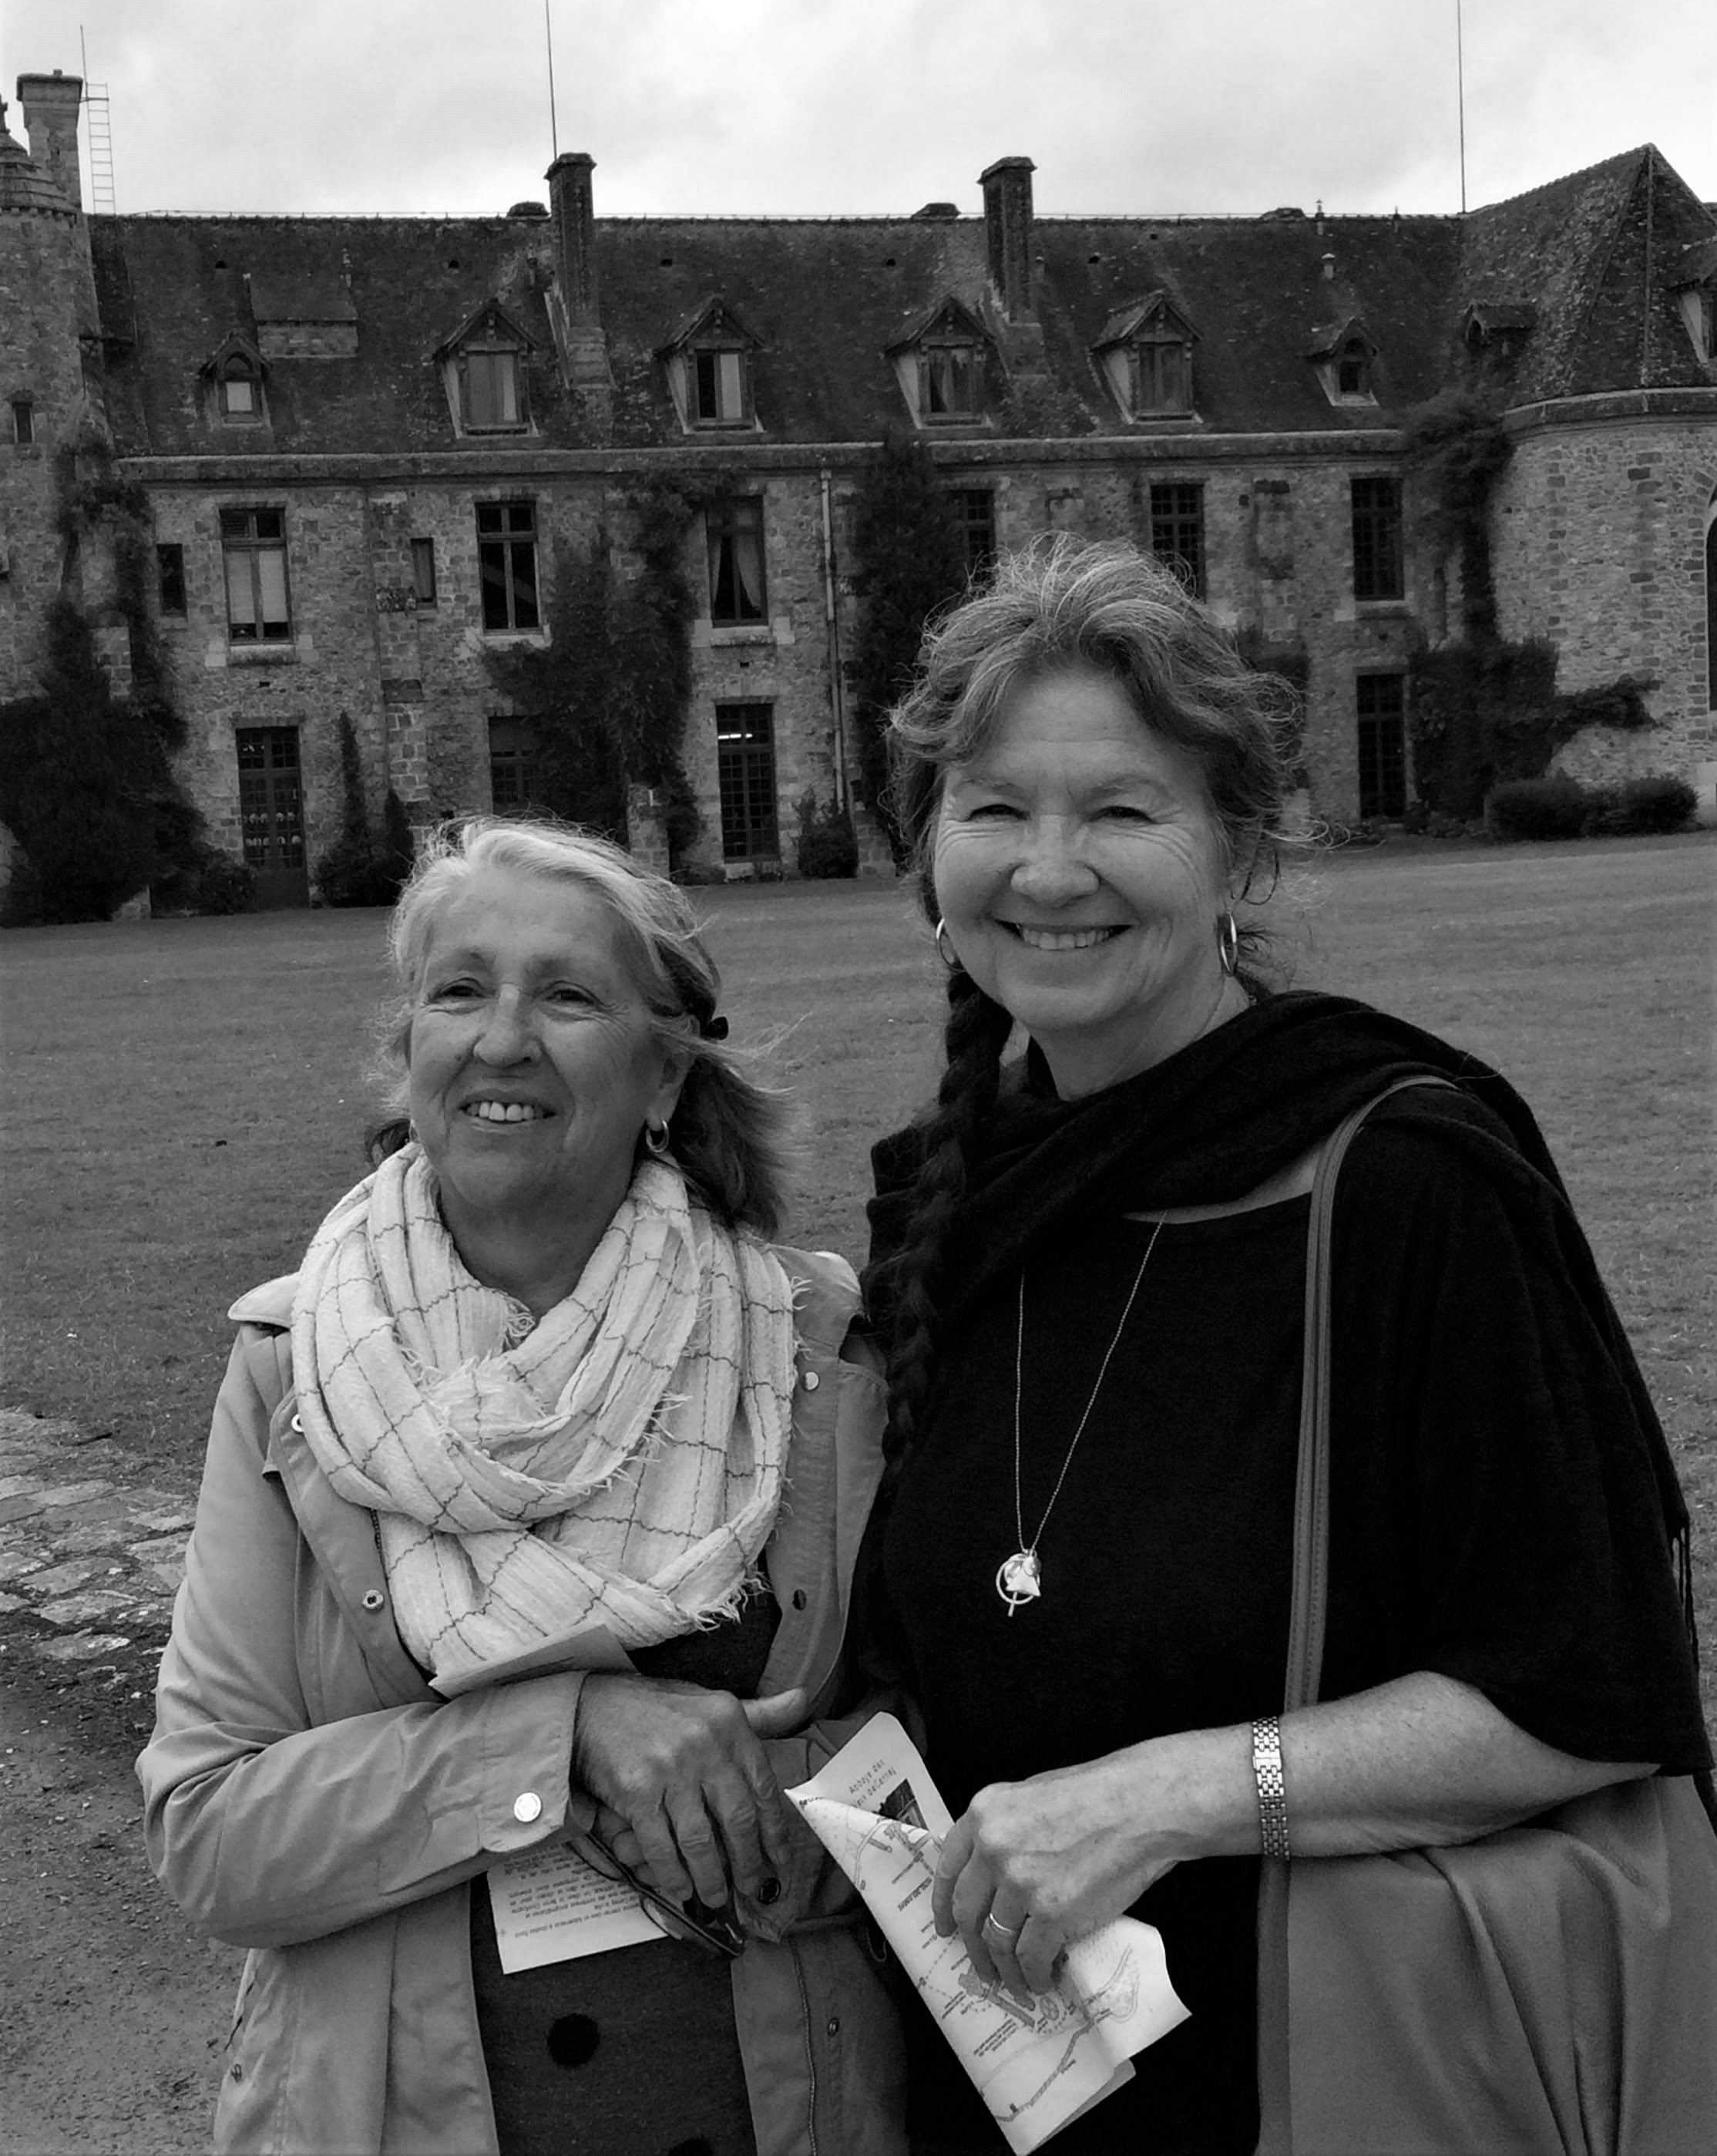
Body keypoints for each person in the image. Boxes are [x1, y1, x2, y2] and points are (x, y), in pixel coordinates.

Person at [858, 538, 1712, 2154]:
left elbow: (1587, 1691)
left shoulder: (1401, 1181)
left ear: (1241, 849)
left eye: (1122, 811)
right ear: (929, 851)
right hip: (1003, 2099)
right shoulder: (950, 1203)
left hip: (1340, 2091)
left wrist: (1166, 1796)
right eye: (994, 809)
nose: (1050, 870)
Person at [139, 818, 906, 2156]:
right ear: (411, 1051)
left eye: (566, 995)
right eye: (459, 990)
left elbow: (934, 1747)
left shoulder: (814, 1346)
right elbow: (213, 1835)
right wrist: (562, 1739)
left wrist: (752, 1827)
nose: (503, 1039)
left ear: (666, 1070)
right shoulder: (291, 1369)